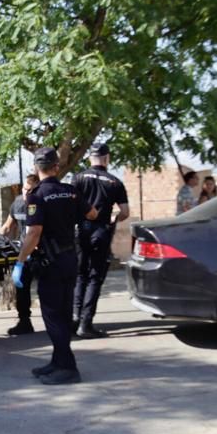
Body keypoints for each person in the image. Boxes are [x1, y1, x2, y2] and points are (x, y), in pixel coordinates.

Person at [11, 147, 97, 385]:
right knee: (63, 312)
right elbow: (92, 213)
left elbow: (34, 233)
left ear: (36, 168)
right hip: (70, 258)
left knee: (52, 315)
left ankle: (68, 367)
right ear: (56, 167)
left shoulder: (36, 195)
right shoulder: (71, 191)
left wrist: (20, 261)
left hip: (51, 262)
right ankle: (58, 362)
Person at [71, 144, 130, 339]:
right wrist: (114, 220)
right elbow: (125, 212)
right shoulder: (114, 182)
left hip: (81, 230)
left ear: (90, 158)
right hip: (101, 231)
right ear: (107, 158)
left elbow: (71, 204)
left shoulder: (78, 178)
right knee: (95, 277)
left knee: (80, 275)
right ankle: (86, 323)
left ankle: (75, 316)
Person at [1, 173, 40, 335]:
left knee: (48, 289)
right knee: (22, 288)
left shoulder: (42, 202)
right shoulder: (17, 203)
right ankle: (24, 322)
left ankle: (61, 321)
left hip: (42, 252)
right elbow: (7, 226)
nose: (26, 193)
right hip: (24, 252)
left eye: (30, 190)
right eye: (25, 189)